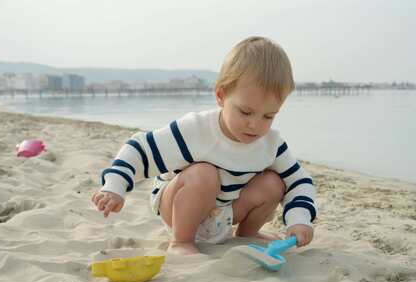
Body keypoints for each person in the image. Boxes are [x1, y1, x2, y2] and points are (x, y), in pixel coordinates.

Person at [91, 36, 317, 255]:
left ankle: (247, 234)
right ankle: (181, 241)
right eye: (245, 112)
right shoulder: (196, 130)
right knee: (204, 173)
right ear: (221, 96)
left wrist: (299, 220)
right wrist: (115, 186)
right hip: (179, 209)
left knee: (274, 183)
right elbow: (140, 149)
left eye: (268, 116)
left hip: (225, 213)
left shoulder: (270, 144)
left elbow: (299, 181)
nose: (255, 125)